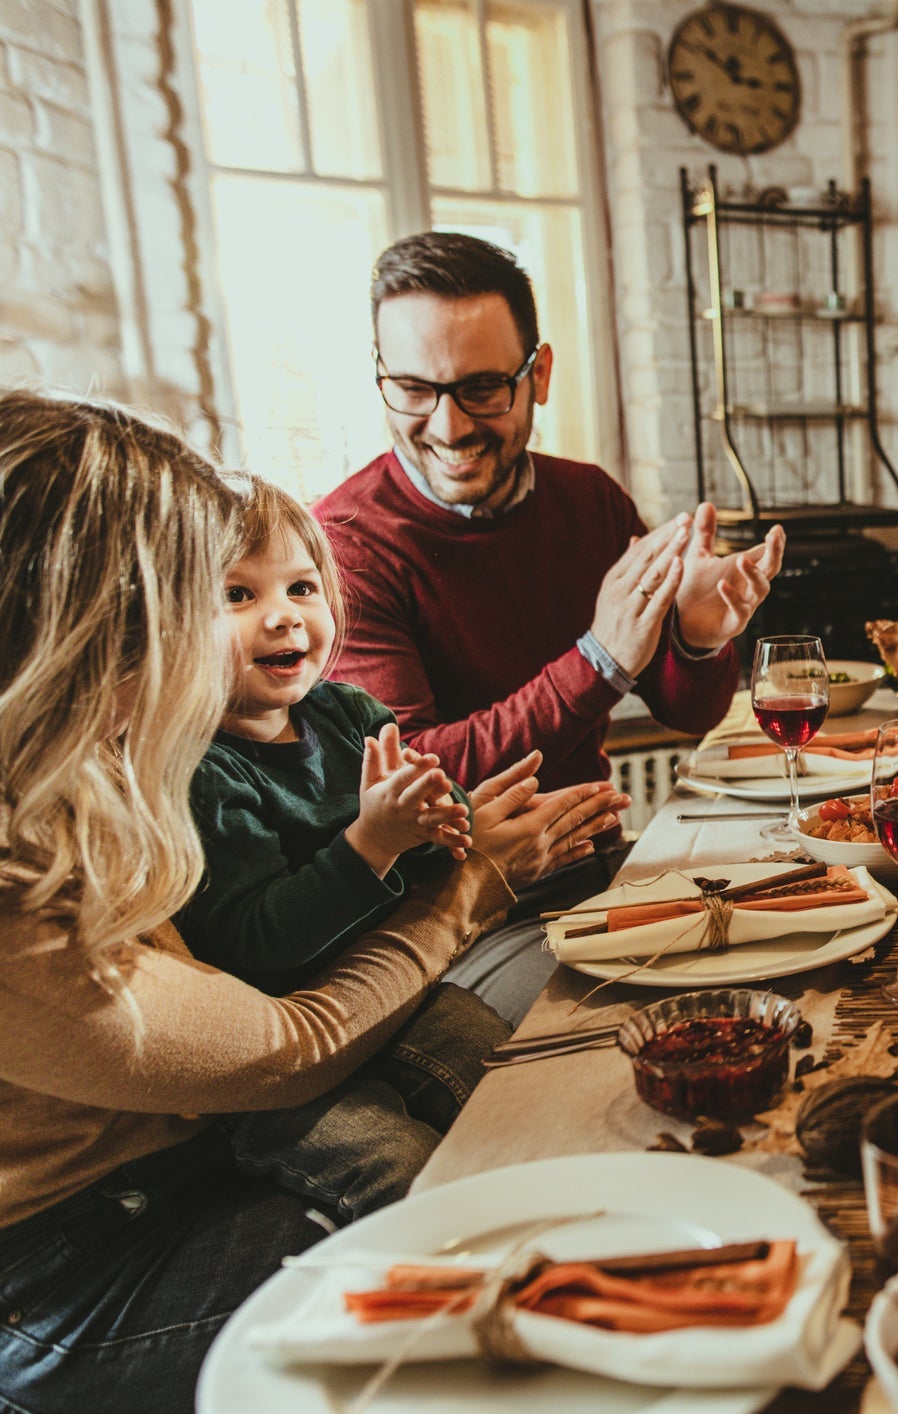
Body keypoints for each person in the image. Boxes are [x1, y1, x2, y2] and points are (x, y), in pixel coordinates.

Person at [0, 390, 610, 1410]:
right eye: (195, 605)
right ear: (79, 635)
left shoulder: (88, 766)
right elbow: (286, 1049)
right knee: (478, 1251)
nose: (211, 647)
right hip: (84, 1270)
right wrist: (471, 885)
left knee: (531, 1106)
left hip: (195, 1140)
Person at [316, 232, 785, 1018]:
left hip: (598, 871)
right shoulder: (343, 546)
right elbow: (419, 777)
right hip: (456, 918)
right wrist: (598, 660)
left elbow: (687, 711)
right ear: (381, 377)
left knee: (781, 967)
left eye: (482, 389)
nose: (448, 426)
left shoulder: (588, 499)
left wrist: (697, 638)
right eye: (412, 388)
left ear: (539, 374)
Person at [181, 477, 544, 1221]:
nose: (283, 616)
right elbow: (259, 940)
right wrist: (372, 840)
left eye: (301, 587)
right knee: (399, 1170)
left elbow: (418, 859)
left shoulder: (348, 713)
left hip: (395, 1003)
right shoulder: (200, 767)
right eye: (238, 596)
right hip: (288, 1058)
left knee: (517, 1088)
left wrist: (447, 823)